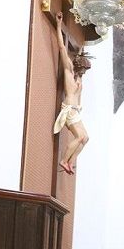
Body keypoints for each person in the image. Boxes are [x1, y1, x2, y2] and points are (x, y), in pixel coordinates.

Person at [49, 11, 90, 175]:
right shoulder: (69, 71)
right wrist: (59, 26)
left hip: (76, 112)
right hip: (69, 112)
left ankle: (70, 163)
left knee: (85, 138)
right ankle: (64, 160)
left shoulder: (80, 80)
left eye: (85, 70)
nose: (83, 71)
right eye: (82, 68)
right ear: (77, 65)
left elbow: (78, 97)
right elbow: (61, 48)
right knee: (79, 137)